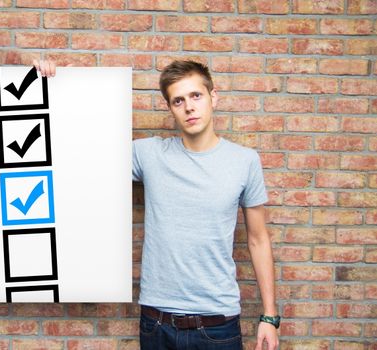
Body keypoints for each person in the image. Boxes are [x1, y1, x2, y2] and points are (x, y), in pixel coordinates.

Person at [34, 59, 279, 350]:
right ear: (170, 108)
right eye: (178, 100)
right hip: (157, 323)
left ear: (214, 97)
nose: (189, 107)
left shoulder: (244, 161)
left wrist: (270, 316)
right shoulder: (149, 153)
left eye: (196, 96)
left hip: (217, 324)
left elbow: (258, 240)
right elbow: (81, 149)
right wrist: (52, 85)